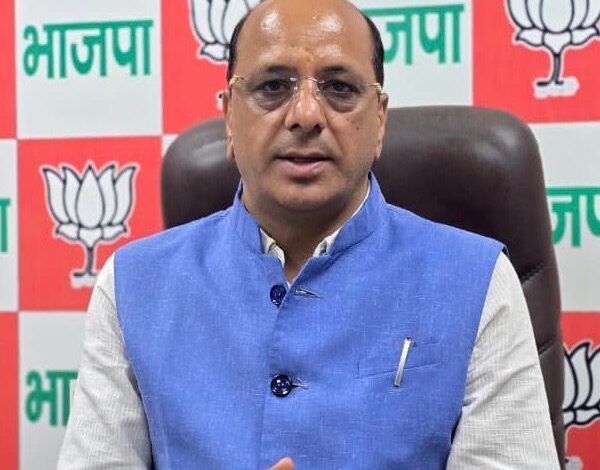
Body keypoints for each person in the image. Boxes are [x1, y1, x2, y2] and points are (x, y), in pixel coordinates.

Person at [58, 0, 560, 468]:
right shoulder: (132, 286)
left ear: (379, 120)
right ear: (229, 115)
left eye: (339, 88)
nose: (305, 116)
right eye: (273, 87)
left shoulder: (479, 283)